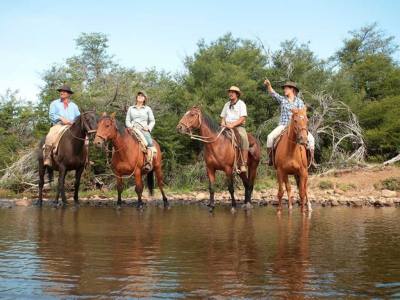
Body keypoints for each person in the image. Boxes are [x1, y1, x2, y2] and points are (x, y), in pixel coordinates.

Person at [264, 79, 315, 166]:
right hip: (283, 125)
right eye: (285, 88)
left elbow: (303, 114)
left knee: (311, 139)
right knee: (270, 137)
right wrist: (268, 85)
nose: (284, 90)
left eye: (286, 88)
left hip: (297, 126)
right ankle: (270, 159)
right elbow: (273, 93)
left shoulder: (299, 101)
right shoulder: (283, 100)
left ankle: (311, 160)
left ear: (292, 90)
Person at [43, 85, 80, 166]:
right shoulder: (54, 103)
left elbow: (78, 117)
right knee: (50, 135)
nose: (62, 92)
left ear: (69, 94)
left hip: (72, 126)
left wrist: (73, 122)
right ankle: (47, 157)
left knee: (85, 139)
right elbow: (51, 115)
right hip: (59, 125)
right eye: (61, 91)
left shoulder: (74, 106)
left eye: (64, 91)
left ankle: (85, 159)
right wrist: (61, 118)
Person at [220, 86, 249, 173]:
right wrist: (223, 124)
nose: (231, 93)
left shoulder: (241, 104)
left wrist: (232, 125)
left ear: (237, 94)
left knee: (244, 138)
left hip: (238, 126)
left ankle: (243, 163)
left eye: (233, 92)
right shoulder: (226, 104)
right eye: (230, 92)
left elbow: (242, 118)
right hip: (226, 126)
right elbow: (223, 117)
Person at [125, 91, 156, 172]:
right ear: (136, 98)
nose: (140, 96)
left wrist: (148, 127)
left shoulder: (147, 108)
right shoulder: (131, 108)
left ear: (145, 99)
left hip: (143, 129)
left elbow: (152, 121)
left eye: (142, 96)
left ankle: (149, 162)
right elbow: (127, 120)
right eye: (139, 95)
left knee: (149, 142)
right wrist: (130, 126)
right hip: (132, 128)